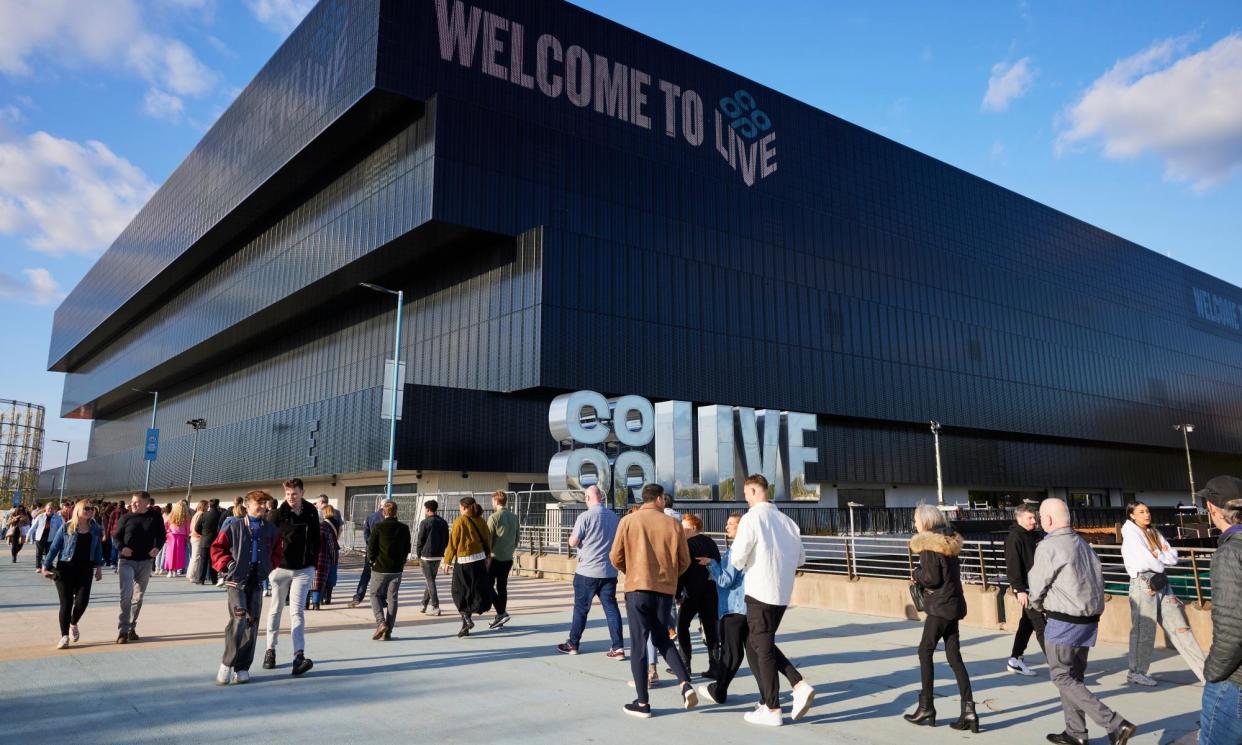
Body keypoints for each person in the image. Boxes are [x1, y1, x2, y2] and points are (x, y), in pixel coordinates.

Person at [1028, 498, 1136, 745]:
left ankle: (1116, 724)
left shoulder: (1049, 546)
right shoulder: (1083, 544)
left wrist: (1038, 606)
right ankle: (1075, 733)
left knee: (1061, 677)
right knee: (1073, 678)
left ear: (1048, 520)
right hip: (1088, 621)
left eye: (1041, 517)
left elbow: (1036, 589)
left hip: (1064, 621)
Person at [728, 474, 815, 727]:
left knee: (762, 648)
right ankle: (778, 695)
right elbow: (800, 559)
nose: (746, 501)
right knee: (758, 643)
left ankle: (775, 705)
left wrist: (745, 558)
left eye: (746, 495)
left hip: (759, 591)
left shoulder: (752, 518)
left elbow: (738, 558)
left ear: (754, 491)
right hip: (781, 593)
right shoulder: (788, 522)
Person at [609, 482, 697, 719]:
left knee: (639, 643)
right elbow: (685, 560)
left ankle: (643, 702)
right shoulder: (673, 524)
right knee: (662, 637)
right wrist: (669, 576)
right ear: (659, 499)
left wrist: (631, 571)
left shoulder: (628, 521)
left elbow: (615, 556)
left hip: (637, 587)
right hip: (664, 590)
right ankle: (685, 683)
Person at [903, 504, 977, 732]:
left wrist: (916, 574)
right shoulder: (948, 541)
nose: (914, 524)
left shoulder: (929, 545)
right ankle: (969, 711)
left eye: (916, 520)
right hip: (953, 605)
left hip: (939, 607)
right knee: (954, 656)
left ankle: (927, 706)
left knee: (924, 651)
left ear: (925, 522)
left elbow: (932, 578)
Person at [1121, 500, 1206, 686]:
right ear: (1132, 515)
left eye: (1147, 511)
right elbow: (1145, 561)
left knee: (1181, 628)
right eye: (1141, 512)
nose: (1146, 514)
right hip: (1143, 584)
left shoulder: (1154, 532)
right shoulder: (1131, 534)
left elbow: (1173, 557)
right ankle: (1136, 672)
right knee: (1144, 631)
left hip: (1161, 582)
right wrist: (1161, 558)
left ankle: (1205, 674)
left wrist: (1157, 555)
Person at [210, 490, 283, 685]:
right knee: (239, 618)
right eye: (257, 503)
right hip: (236, 581)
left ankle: (242, 667)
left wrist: (269, 566)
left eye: (264, 503)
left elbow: (277, 552)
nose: (261, 507)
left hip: (257, 581)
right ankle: (227, 663)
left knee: (252, 624)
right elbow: (217, 548)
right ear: (247, 506)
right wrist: (228, 565)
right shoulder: (233, 526)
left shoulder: (271, 530)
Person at [1197, 475, 1242, 745]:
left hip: (1234, 681)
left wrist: (1212, 673)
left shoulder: (1230, 553)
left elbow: (1233, 627)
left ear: (1212, 508)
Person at [557, 485, 624, 658]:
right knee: (611, 609)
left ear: (588, 498)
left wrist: (572, 539)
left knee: (581, 609)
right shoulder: (614, 517)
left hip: (587, 571)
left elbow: (573, 542)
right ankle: (618, 647)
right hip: (608, 571)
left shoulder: (585, 516)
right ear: (601, 497)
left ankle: (573, 643)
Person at [262, 478, 319, 676]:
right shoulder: (276, 514)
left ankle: (298, 656)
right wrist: (270, 566)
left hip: (303, 569)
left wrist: (314, 564)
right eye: (287, 494)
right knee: (276, 609)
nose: (291, 498)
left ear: (302, 492)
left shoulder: (311, 511)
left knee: (297, 612)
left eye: (294, 494)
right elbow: (266, 540)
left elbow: (316, 539)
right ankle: (270, 649)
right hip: (281, 569)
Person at [42, 500, 104, 649]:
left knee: (82, 602)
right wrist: (45, 566)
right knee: (66, 603)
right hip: (65, 569)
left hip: (85, 569)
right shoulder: (66, 527)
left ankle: (73, 623)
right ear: (78, 510)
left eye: (91, 509)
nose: (89, 511)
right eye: (86, 509)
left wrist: (99, 568)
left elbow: (97, 549)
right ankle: (64, 636)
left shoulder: (95, 528)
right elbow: (54, 548)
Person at [112, 491, 165, 643]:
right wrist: (122, 548)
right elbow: (115, 536)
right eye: (133, 501)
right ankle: (123, 631)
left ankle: (131, 627)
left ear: (146, 503)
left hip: (146, 561)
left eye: (137, 502)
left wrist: (157, 548)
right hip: (126, 561)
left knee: (138, 597)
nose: (134, 504)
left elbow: (162, 535)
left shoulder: (155, 517)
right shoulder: (126, 517)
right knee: (126, 595)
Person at [442, 496, 493, 637]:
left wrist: (447, 561)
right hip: (480, 561)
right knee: (472, 592)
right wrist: (488, 555)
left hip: (464, 561)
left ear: (464, 507)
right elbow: (488, 538)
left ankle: (465, 617)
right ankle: (465, 625)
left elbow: (453, 543)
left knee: (458, 591)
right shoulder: (481, 520)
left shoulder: (460, 521)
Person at [677, 513, 720, 677]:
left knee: (682, 626)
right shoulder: (711, 542)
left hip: (692, 592)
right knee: (711, 629)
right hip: (710, 591)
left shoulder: (687, 544)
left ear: (693, 528)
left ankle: (684, 664)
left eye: (684, 527)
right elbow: (717, 564)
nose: (682, 530)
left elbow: (682, 570)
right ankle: (715, 665)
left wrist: (677, 593)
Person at [1005, 503, 1045, 676]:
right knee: (1041, 626)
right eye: (1029, 518)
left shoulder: (1033, 536)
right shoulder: (1014, 537)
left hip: (1036, 586)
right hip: (1027, 590)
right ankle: (1060, 666)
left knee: (1027, 624)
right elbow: (1013, 566)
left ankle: (1015, 659)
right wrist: (1019, 589)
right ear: (1019, 518)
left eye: (1034, 517)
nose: (1033, 521)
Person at [367, 500, 411, 640]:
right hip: (396, 568)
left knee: (374, 594)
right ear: (396, 512)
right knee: (392, 598)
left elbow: (371, 547)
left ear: (383, 512)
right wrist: (402, 561)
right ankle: (388, 631)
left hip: (380, 567)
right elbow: (407, 548)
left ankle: (381, 623)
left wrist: (371, 561)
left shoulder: (378, 527)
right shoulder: (404, 528)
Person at [487, 490, 519, 629]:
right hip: (507, 557)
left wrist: (487, 554)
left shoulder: (494, 517)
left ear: (495, 501)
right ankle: (500, 616)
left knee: (487, 585)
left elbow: (488, 539)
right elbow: (517, 537)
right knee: (502, 587)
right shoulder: (514, 517)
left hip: (494, 557)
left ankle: (501, 612)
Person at [348, 500, 386, 609]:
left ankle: (358, 597)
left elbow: (366, 533)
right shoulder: (387, 518)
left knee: (366, 574)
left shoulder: (371, 517)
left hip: (371, 550)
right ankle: (381, 599)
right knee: (382, 576)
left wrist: (370, 544)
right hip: (383, 552)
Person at [415, 500, 449, 615]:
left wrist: (419, 554)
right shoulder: (443, 522)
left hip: (427, 555)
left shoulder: (425, 522)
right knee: (430, 580)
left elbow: (420, 540)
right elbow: (446, 539)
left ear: (428, 509)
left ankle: (435, 606)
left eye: (425, 509)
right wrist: (442, 550)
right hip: (438, 555)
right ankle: (424, 603)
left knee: (430, 580)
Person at [310, 505, 340, 610]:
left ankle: (305, 604)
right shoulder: (328, 527)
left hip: (310, 558)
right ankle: (317, 603)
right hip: (324, 557)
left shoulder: (309, 528)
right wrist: (334, 559)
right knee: (321, 580)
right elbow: (333, 544)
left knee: (309, 581)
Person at [195, 499, 223, 586]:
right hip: (216, 540)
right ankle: (214, 579)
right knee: (214, 560)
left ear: (210, 505)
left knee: (203, 561)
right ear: (218, 505)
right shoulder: (220, 514)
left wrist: (203, 534)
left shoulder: (204, 514)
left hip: (205, 540)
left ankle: (201, 579)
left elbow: (197, 528)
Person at [29, 502, 63, 570]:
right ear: (46, 509)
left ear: (54, 509)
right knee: (39, 553)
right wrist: (28, 536)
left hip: (51, 537)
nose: (50, 510)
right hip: (40, 537)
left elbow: (60, 528)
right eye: (49, 508)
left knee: (49, 553)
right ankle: (38, 567)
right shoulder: (40, 516)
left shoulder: (58, 517)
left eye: (51, 508)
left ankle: (48, 566)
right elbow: (34, 526)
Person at [163, 501, 190, 577]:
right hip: (181, 536)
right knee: (178, 554)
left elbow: (165, 525)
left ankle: (170, 571)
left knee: (170, 554)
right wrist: (187, 536)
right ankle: (175, 570)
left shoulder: (171, 515)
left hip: (171, 535)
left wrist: (167, 532)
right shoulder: (186, 517)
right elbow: (188, 528)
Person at [188, 500, 208, 584]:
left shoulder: (196, 513)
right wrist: (200, 534)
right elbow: (196, 527)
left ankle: (191, 574)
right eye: (207, 506)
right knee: (196, 557)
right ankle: (192, 576)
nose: (208, 507)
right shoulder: (201, 514)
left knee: (194, 557)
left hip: (193, 537)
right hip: (197, 537)